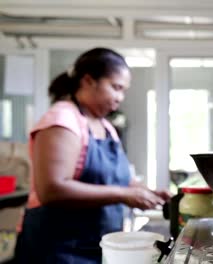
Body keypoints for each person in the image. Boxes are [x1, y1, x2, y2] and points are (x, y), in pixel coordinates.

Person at [14, 47, 171, 264]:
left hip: (95, 247)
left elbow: (121, 181)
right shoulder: (62, 120)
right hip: (56, 249)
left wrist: (149, 193)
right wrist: (123, 195)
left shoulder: (106, 127)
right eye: (116, 87)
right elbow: (52, 189)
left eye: (123, 90)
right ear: (88, 81)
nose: (120, 98)